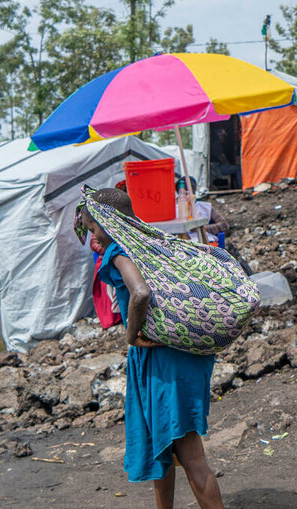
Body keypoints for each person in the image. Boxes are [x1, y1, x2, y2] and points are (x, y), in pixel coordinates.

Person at [77, 188, 224, 509]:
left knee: (190, 455)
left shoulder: (119, 250)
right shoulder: (150, 240)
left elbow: (140, 293)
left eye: (92, 229)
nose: (92, 238)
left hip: (161, 359)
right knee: (163, 445)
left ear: (107, 221)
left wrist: (131, 336)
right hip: (180, 353)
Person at [175, 177, 228, 244]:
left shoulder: (204, 207)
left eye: (189, 193)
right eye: (184, 193)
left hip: (206, 242)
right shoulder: (172, 209)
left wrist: (202, 228)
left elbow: (224, 224)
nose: (187, 196)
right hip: (182, 244)